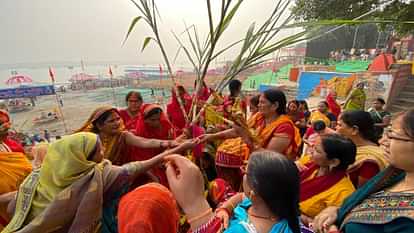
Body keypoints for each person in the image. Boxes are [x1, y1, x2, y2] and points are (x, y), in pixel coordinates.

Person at [1, 132, 195, 233]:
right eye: (99, 151)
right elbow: (142, 165)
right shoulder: (99, 176)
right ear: (82, 158)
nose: (103, 154)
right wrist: (181, 148)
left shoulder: (42, 175)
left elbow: (14, 201)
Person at [313, 108, 414, 233]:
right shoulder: (395, 175)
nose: (383, 141)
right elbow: (353, 204)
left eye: (392, 135)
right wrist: (336, 211)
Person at [166, 151, 302, 233]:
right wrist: (226, 208)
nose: (242, 173)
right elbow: (241, 196)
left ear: (254, 194)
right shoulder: (271, 203)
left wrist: (194, 205)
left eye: (246, 172)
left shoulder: (240, 230)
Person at [202, 89, 301, 160]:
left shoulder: (284, 127)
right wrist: (211, 136)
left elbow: (268, 156)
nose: (258, 105)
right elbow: (239, 130)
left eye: (262, 102)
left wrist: (245, 137)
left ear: (275, 106)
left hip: (273, 168)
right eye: (259, 102)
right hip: (255, 158)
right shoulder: (259, 117)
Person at [77, 106, 180, 165]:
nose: (117, 123)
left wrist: (169, 143)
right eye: (111, 121)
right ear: (99, 125)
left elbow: (145, 142)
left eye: (118, 119)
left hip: (114, 177)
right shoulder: (88, 139)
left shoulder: (123, 136)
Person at [297, 134, 356, 224]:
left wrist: (300, 217)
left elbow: (322, 225)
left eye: (317, 150)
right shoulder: (310, 163)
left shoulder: (343, 192)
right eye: (313, 146)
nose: (311, 151)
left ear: (334, 162)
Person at [336, 110, 388, 188]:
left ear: (354, 130)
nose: (336, 128)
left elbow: (360, 193)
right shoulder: (350, 147)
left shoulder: (369, 162)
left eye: (339, 125)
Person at [131, 104, 178, 185]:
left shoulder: (166, 125)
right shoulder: (140, 134)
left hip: (167, 158)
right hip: (149, 164)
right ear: (144, 120)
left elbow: (173, 143)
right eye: (152, 120)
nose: (156, 122)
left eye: (158, 119)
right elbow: (142, 158)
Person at [0, 111, 32, 230]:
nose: (7, 130)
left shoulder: (12, 147)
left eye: (6, 124)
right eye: (1, 125)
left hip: (24, 210)